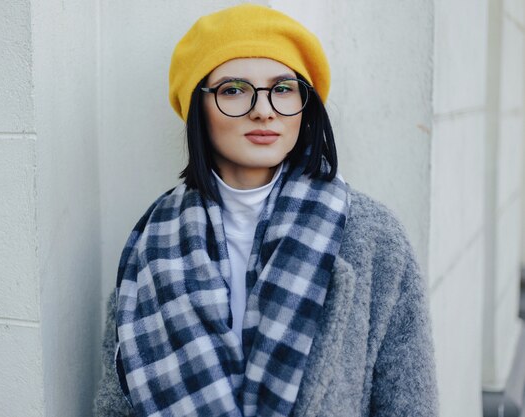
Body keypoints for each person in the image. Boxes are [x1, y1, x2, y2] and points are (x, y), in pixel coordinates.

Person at [94, 4, 438, 417]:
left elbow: (409, 405)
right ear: (196, 107)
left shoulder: (372, 237)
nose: (263, 109)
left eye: (283, 88)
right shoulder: (152, 247)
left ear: (304, 104)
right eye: (234, 89)